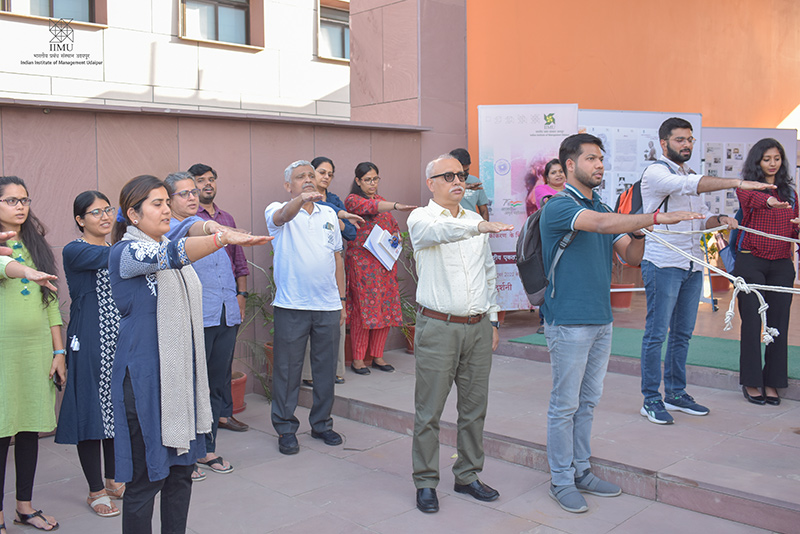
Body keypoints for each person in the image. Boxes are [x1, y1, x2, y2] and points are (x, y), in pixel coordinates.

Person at [540, 134, 703, 513]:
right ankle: (561, 479)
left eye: (601, 158)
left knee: (589, 401)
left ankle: (582, 470)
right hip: (568, 321)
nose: (599, 165)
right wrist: (657, 216)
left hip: (600, 318)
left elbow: (629, 255)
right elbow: (597, 224)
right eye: (591, 159)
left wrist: (639, 231)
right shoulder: (560, 206)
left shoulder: (602, 203)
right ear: (569, 165)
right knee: (565, 405)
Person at [109, 175, 269, 533]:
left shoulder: (168, 236)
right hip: (145, 381)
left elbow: (191, 226)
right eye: (157, 203)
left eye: (168, 201)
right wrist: (223, 237)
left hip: (180, 378)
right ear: (132, 215)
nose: (166, 209)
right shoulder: (126, 252)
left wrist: (214, 226)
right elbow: (171, 255)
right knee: (145, 480)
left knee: (180, 474)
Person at [638, 117, 775, 425]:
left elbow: (698, 221)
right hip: (662, 263)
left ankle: (675, 393)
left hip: (691, 262)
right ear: (664, 143)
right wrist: (738, 183)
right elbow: (690, 185)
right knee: (657, 334)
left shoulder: (688, 172)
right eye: (679, 140)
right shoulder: (656, 173)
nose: (686, 145)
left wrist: (721, 219)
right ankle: (650, 399)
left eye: (690, 139)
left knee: (683, 334)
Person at [407, 154, 513, 514]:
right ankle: (425, 481)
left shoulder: (473, 219)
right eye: (448, 175)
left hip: (478, 327)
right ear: (431, 183)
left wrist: (494, 320)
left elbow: (487, 273)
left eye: (462, 175)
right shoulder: (421, 218)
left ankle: (467, 475)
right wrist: (478, 228)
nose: (458, 180)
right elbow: (437, 233)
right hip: (438, 327)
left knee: (473, 409)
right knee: (429, 410)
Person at [165, 171, 259, 478]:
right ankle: (184, 455)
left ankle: (207, 449)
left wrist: (238, 299)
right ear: (168, 200)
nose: (192, 197)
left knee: (216, 384)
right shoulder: (171, 228)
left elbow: (234, 265)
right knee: (190, 387)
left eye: (194, 192)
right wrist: (215, 228)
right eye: (184, 193)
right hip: (193, 319)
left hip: (224, 313)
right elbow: (194, 229)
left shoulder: (218, 221)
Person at [265, 160, 347, 455]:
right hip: (292, 305)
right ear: (289, 186)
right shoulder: (279, 209)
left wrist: (342, 301)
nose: (309, 180)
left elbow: (337, 259)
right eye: (301, 177)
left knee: (326, 371)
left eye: (312, 176)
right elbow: (283, 216)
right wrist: (301, 200)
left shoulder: (328, 213)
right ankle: (286, 428)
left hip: (328, 306)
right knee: (288, 371)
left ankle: (322, 424)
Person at [0, 176, 65, 532]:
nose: (21, 206)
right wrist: (23, 269)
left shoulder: (36, 244)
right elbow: (3, 268)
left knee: (29, 430)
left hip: (37, 350)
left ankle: (24, 506)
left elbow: (50, 299)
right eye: (11, 201)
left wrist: (58, 351)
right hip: (3, 354)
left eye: (24, 199)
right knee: (0, 430)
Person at [55, 191, 125, 519]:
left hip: (119, 341)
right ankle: (95, 490)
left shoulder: (115, 249)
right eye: (95, 212)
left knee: (115, 410)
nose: (104, 216)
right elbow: (111, 261)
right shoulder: (76, 250)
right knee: (90, 413)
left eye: (108, 209)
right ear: (81, 220)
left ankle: (113, 479)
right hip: (89, 340)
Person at [189, 163, 251, 433]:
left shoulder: (226, 217)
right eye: (201, 181)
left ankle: (224, 414)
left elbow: (239, 260)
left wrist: (242, 294)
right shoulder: (188, 221)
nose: (207, 184)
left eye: (211, 179)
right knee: (202, 368)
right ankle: (204, 426)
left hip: (228, 302)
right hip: (201, 305)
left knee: (224, 363)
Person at [735, 139, 798, 406]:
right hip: (751, 261)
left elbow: (794, 231)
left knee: (778, 325)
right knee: (751, 323)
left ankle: (773, 381)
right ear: (757, 162)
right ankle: (751, 380)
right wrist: (770, 201)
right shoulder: (747, 188)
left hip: (783, 264)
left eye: (777, 158)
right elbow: (754, 199)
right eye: (766, 159)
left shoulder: (792, 194)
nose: (772, 164)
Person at [345, 162, 415, 374]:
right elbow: (370, 208)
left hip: (384, 266)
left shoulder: (381, 200)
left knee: (384, 310)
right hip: (363, 266)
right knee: (362, 311)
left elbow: (392, 226)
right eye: (368, 179)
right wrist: (396, 206)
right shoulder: (352, 200)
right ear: (358, 181)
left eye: (375, 179)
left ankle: (378, 356)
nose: (372, 183)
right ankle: (358, 359)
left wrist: (395, 235)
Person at [301, 156, 363, 386]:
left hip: (333, 263)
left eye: (330, 174)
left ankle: (336, 371)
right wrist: (337, 215)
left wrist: (339, 218)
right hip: (310, 267)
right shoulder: (303, 200)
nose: (326, 177)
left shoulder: (335, 200)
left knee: (336, 317)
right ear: (311, 174)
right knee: (309, 323)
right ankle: (308, 374)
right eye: (322, 172)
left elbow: (351, 234)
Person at [450, 148, 490, 220]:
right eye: (461, 171)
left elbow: (484, 210)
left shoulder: (475, 181)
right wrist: (466, 186)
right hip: (451, 226)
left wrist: (485, 229)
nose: (464, 174)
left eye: (466, 170)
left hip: (472, 226)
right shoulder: (445, 181)